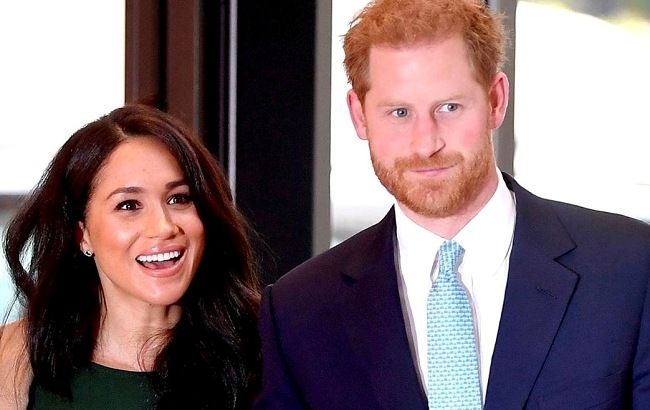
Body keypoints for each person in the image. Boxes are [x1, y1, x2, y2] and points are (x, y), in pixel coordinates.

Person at [254, 0, 650, 409]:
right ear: (359, 115)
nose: (426, 143)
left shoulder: (630, 269)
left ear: (496, 100)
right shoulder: (300, 312)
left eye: (449, 108)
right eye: (399, 112)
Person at [0, 104, 262, 409]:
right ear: (82, 233)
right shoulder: (17, 357)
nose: (164, 226)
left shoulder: (267, 352)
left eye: (179, 198)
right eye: (129, 205)